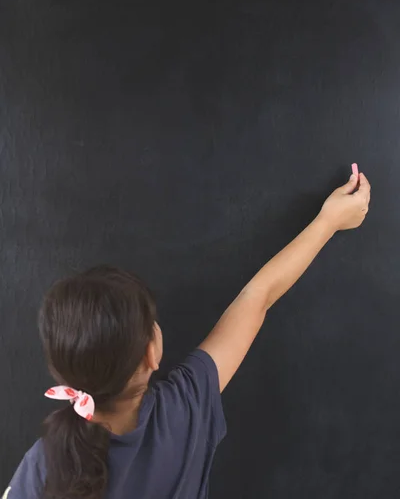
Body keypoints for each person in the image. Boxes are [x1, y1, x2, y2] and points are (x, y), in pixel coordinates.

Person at [3, 170, 370, 499]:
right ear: (151, 353)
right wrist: (328, 222)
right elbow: (257, 297)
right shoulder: (184, 409)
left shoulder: (43, 465)